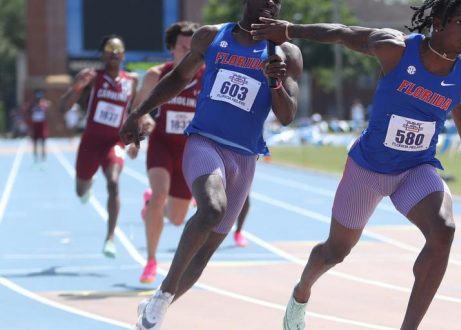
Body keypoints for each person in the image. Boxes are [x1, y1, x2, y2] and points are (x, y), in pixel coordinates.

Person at [251, 0, 461, 328]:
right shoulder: (395, 49)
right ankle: (301, 292)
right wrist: (291, 30)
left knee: (443, 231)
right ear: (438, 22)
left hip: (416, 170)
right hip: (368, 169)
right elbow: (342, 33)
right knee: (335, 251)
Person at [119, 0, 302, 328]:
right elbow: (177, 79)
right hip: (204, 142)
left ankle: (157, 303)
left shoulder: (287, 54)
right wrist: (139, 112)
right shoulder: (212, 37)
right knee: (212, 208)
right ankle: (163, 296)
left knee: (204, 253)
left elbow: (287, 116)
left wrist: (274, 83)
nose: (272, 3)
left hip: (244, 157)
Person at [128, 21, 204, 284]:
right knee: (161, 194)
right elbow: (139, 112)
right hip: (162, 145)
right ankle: (150, 261)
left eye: (193, 47)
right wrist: (142, 128)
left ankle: (150, 203)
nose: (188, 51)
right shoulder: (156, 75)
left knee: (177, 218)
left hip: (188, 150)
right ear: (171, 48)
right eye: (183, 47)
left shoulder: (208, 75)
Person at [59, 35, 138, 258]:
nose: (114, 53)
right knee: (80, 190)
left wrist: (136, 139)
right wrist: (77, 86)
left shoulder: (131, 81)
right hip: (91, 142)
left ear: (123, 54)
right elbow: (63, 107)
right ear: (102, 54)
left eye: (118, 49)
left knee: (113, 183)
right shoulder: (93, 78)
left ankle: (110, 238)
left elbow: (137, 111)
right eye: (109, 49)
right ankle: (87, 183)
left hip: (115, 141)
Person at [26, 89, 51, 166]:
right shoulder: (32, 105)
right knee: (35, 144)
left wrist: (45, 105)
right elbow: (28, 114)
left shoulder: (44, 104)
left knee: (43, 143)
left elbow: (48, 113)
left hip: (42, 125)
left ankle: (43, 160)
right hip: (35, 126)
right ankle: (35, 160)